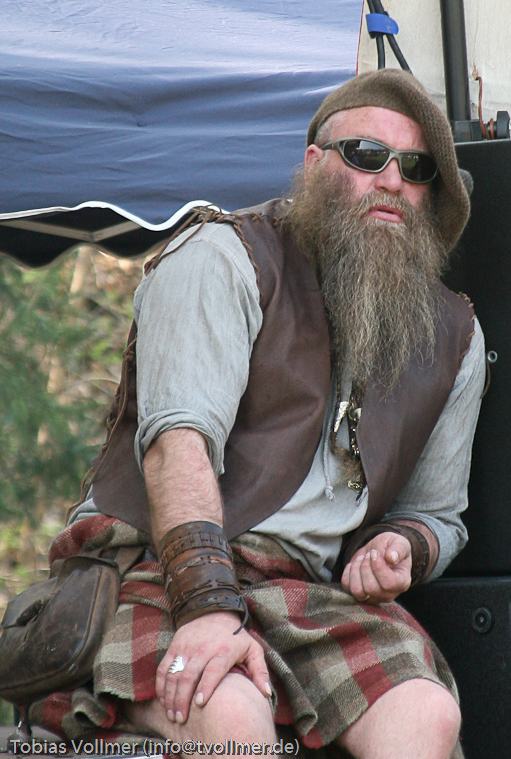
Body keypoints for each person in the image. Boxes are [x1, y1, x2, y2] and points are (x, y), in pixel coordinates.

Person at [32, 69, 485, 759]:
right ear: (314, 164)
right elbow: (176, 446)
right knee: (232, 718)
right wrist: (207, 608)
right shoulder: (222, 257)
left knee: (427, 717)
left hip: (307, 594)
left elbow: (437, 516)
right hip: (157, 569)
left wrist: (404, 546)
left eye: (415, 168)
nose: (391, 180)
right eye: (366, 155)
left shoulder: (453, 335)